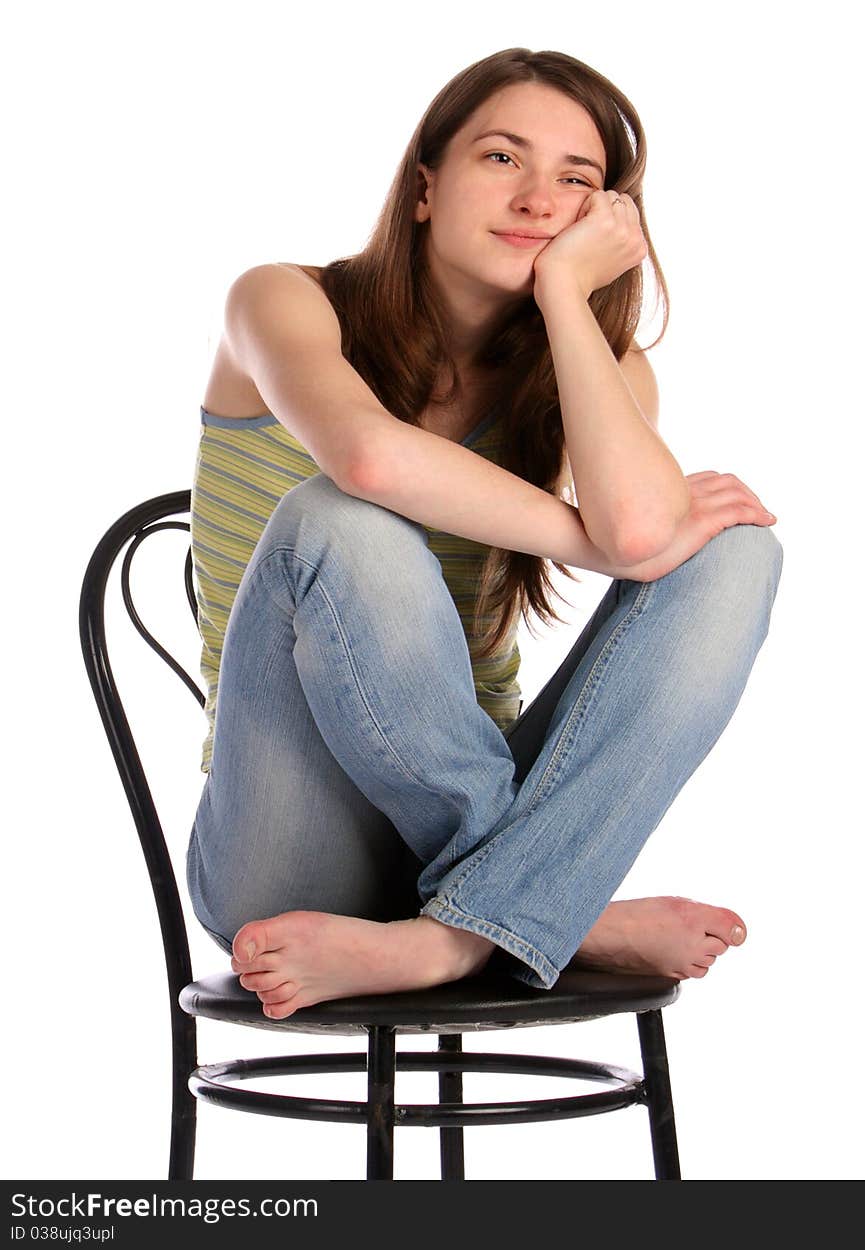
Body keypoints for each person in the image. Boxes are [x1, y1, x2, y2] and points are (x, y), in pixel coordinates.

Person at [185, 47, 783, 1021]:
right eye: (503, 158)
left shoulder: (596, 366)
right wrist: (588, 541)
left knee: (734, 550)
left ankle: (456, 930)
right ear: (426, 186)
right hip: (286, 852)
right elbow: (371, 461)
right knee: (342, 519)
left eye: (576, 179)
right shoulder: (282, 300)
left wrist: (562, 302)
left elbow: (642, 531)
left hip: (477, 810)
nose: (539, 197)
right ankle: (552, 910)